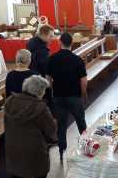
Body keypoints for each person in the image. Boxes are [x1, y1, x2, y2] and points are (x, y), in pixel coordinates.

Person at [5, 75, 57, 178]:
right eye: (43, 91)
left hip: (13, 149)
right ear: (38, 91)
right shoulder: (41, 107)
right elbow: (50, 131)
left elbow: (6, 124)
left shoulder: (10, 101)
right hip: (35, 153)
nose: (43, 94)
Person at [47, 32, 87, 161]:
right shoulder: (77, 59)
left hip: (58, 96)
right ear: (72, 43)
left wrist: (53, 90)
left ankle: (61, 150)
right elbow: (83, 80)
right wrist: (83, 93)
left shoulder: (52, 58)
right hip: (74, 96)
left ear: (60, 43)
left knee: (61, 125)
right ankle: (86, 146)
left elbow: (48, 79)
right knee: (81, 121)